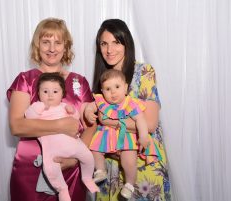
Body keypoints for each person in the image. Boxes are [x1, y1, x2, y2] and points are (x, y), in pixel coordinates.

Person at [7, 18, 95, 201]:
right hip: (31, 169)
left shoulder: (80, 82)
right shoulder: (25, 79)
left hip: (72, 169)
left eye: (58, 42)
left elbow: (91, 126)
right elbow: (17, 126)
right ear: (37, 45)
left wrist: (74, 159)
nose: (52, 48)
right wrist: (62, 125)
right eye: (46, 42)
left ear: (66, 46)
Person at [86, 19, 171, 200]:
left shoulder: (143, 72)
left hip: (142, 159)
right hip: (109, 165)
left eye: (116, 42)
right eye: (104, 44)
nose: (109, 50)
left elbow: (148, 124)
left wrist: (108, 121)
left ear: (127, 43)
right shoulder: (100, 80)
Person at [86, 69, 162, 199]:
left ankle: (129, 184)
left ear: (125, 88)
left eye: (117, 87)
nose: (113, 92)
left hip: (125, 137)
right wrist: (88, 113)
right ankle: (100, 170)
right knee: (94, 150)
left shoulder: (130, 103)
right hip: (106, 136)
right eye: (108, 89)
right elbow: (90, 107)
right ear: (102, 91)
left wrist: (143, 136)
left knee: (129, 160)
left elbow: (140, 120)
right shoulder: (101, 101)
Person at [24, 72, 99, 201]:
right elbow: (28, 116)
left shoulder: (64, 106)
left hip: (74, 144)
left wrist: (72, 111)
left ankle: (87, 178)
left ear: (62, 94)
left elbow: (75, 121)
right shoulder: (37, 106)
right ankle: (62, 190)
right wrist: (38, 108)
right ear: (39, 93)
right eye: (45, 91)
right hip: (52, 148)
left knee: (88, 157)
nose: (50, 95)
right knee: (51, 170)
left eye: (55, 91)